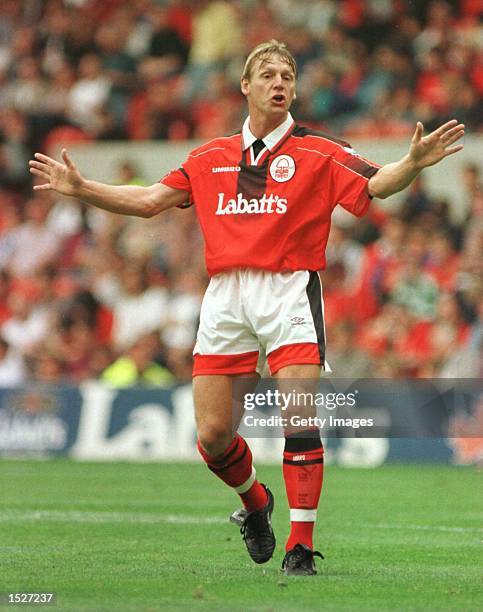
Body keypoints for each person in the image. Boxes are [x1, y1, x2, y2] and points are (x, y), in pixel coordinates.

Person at [29, 40, 465, 576]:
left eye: (287, 75)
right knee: (213, 436)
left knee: (297, 415)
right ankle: (256, 502)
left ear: (295, 88)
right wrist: (80, 187)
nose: (279, 83)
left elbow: (377, 183)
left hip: (289, 291)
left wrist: (413, 163)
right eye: (268, 75)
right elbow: (147, 202)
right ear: (246, 86)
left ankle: (300, 546)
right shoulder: (208, 157)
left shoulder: (321, 150)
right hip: (226, 298)